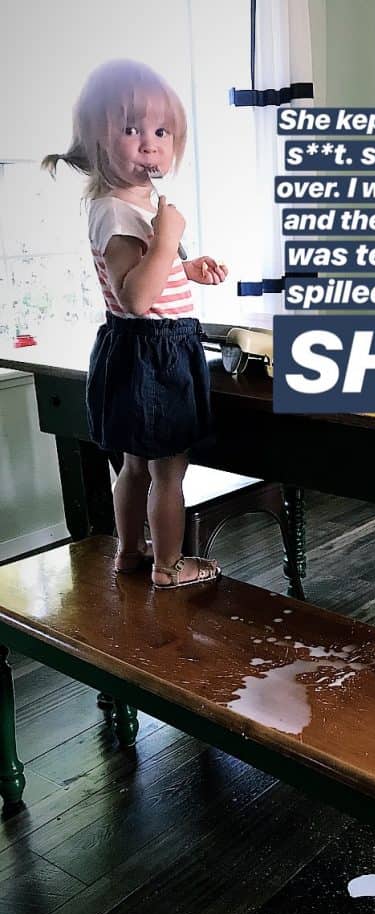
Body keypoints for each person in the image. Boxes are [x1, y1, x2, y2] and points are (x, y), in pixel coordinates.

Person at [42, 59, 227, 588]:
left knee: (135, 465)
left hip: (135, 347)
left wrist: (184, 266)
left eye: (161, 131)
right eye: (131, 129)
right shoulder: (118, 211)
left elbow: (144, 275)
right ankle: (169, 566)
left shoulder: (128, 205)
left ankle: (130, 552)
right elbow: (137, 298)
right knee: (168, 470)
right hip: (155, 349)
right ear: (98, 142)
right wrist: (169, 238)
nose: (149, 142)